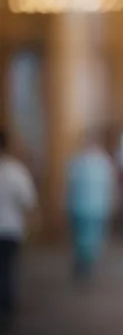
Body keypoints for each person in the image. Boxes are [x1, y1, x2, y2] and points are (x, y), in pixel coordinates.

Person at [66, 130, 115, 280]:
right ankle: (83, 263)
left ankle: (86, 263)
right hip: (83, 207)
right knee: (83, 238)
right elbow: (71, 186)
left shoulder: (101, 162)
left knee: (92, 238)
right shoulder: (79, 162)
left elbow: (109, 187)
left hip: (95, 207)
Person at [0, 130, 36, 331]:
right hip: (10, 231)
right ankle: (6, 309)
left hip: (9, 230)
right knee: (6, 270)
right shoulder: (15, 171)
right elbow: (28, 201)